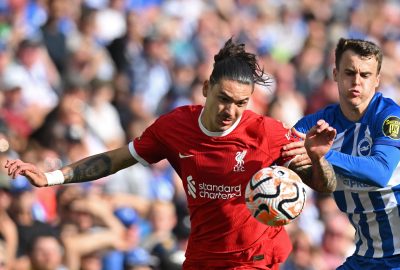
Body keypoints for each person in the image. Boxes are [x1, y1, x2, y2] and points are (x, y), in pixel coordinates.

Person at [5, 38, 337, 269]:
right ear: (206, 88)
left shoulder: (268, 133)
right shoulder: (175, 127)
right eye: (224, 98)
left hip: (254, 260)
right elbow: (116, 159)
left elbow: (324, 186)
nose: (231, 110)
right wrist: (52, 176)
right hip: (202, 257)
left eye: (241, 103)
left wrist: (319, 159)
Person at [290, 38, 400, 269]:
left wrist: (325, 155)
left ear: (377, 80)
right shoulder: (316, 124)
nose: (356, 82)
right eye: (349, 73)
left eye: (365, 75)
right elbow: (283, 145)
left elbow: (380, 172)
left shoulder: (391, 117)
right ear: (335, 74)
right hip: (365, 256)